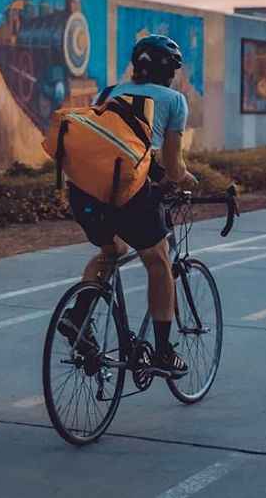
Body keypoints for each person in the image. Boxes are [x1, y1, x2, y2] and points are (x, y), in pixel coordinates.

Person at [59, 34, 198, 379]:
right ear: (171, 72)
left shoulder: (108, 93)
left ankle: (77, 317)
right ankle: (164, 353)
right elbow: (173, 164)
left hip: (84, 191)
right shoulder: (173, 100)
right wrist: (187, 180)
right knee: (159, 260)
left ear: (137, 67)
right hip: (129, 192)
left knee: (111, 251)